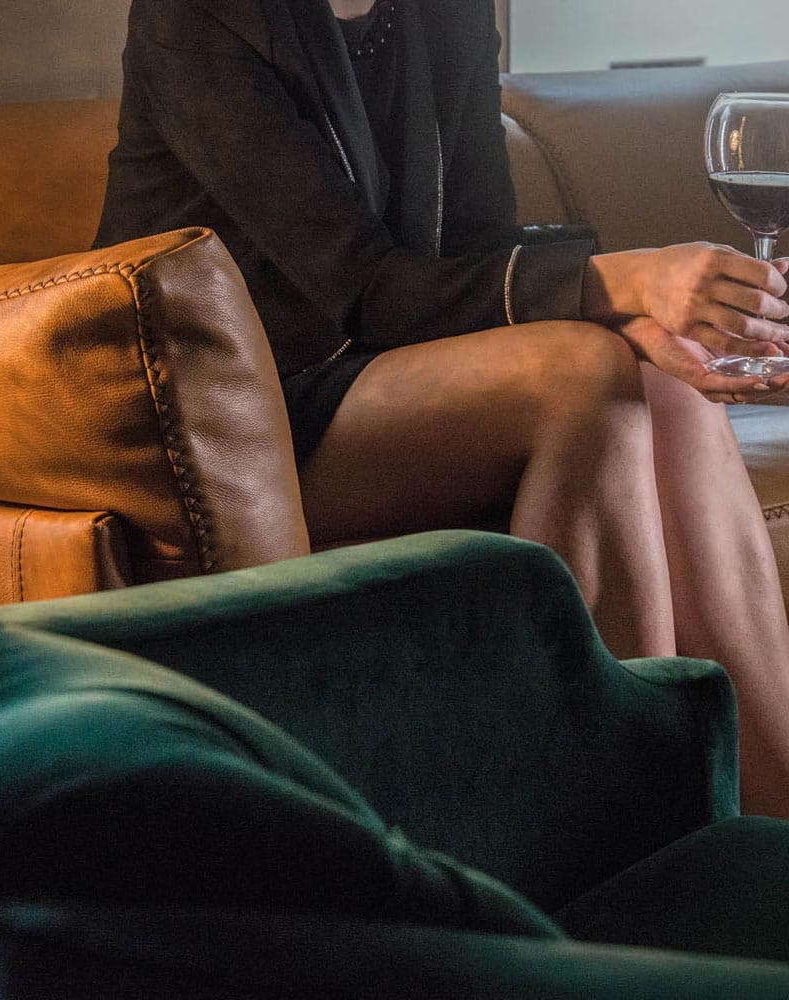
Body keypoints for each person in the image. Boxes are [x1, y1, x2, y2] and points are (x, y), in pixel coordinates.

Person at [94, 0, 789, 817]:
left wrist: (636, 323)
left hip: (382, 366)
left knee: (666, 383)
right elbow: (361, 283)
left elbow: (477, 245)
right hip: (226, 414)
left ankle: (769, 827)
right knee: (586, 375)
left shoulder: (446, 10)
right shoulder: (196, 17)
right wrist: (626, 280)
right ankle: (605, 831)